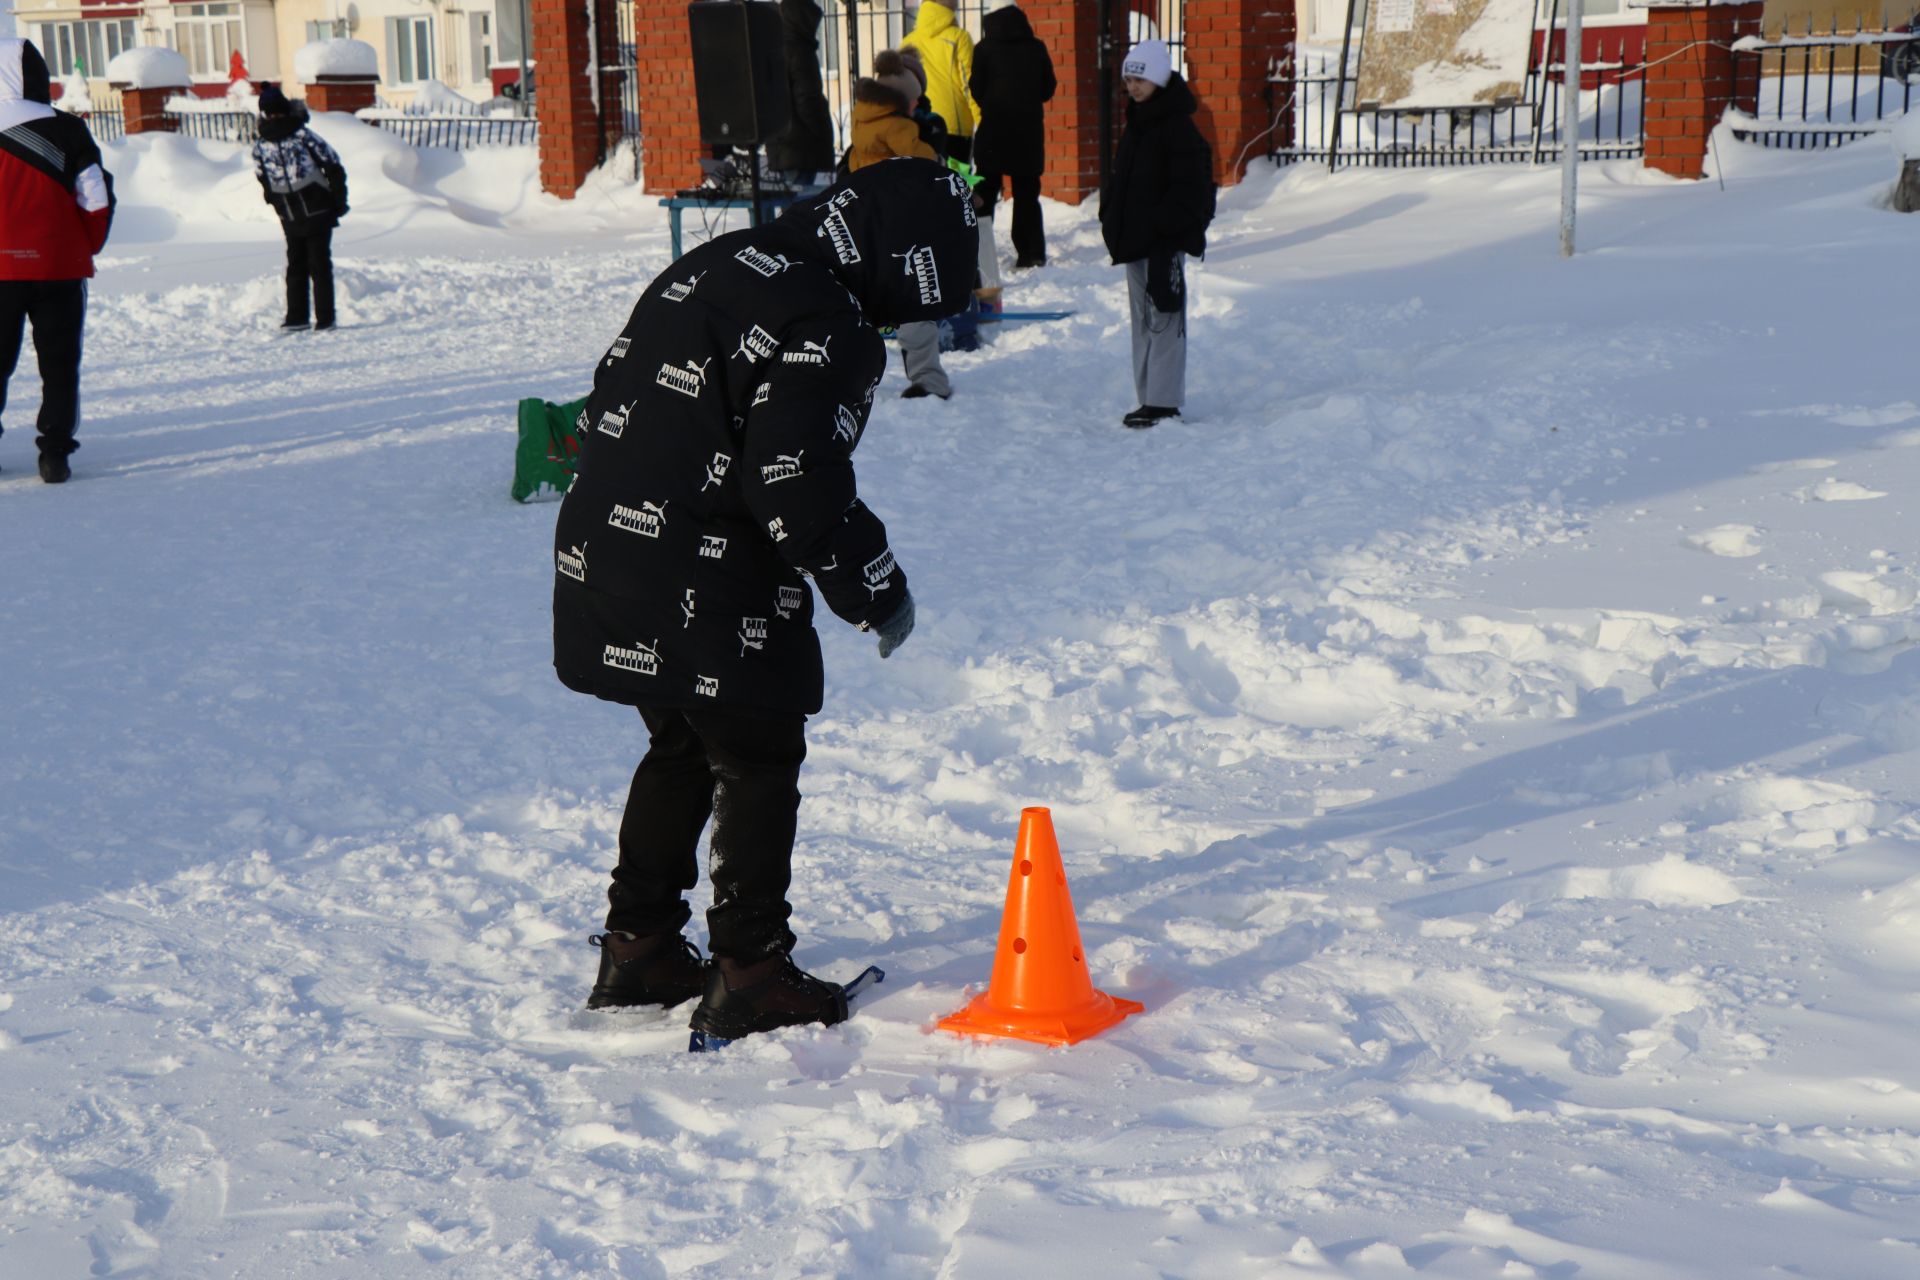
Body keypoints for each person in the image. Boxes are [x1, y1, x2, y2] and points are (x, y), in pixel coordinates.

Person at [552, 157, 975, 1043]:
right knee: (755, 753)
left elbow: (599, 410)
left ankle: (641, 951)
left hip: (608, 551)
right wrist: (875, 585)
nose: (901, 320)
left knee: (678, 745)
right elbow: (794, 481)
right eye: (914, 294)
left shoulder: (716, 261)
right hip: (704, 570)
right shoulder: (831, 320)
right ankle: (749, 972)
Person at [0, 37, 114, 485]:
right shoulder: (68, 130)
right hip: (59, 266)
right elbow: (95, 196)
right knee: (60, 363)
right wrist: (87, 244)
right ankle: (55, 453)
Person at [1100, 39, 1213, 430]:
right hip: (1135, 241)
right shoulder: (1138, 121)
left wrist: (1166, 227)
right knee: (1142, 322)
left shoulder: (1176, 125)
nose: (1132, 86)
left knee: (1164, 318)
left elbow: (1194, 187)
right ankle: (1148, 398)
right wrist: (1110, 218)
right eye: (1129, 79)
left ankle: (1163, 402)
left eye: (1140, 79)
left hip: (1162, 242)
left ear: (1159, 78)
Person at [850, 52, 953, 401]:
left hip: (866, 222)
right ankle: (929, 379)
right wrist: (940, 159)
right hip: (901, 221)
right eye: (913, 100)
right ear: (902, 100)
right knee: (914, 297)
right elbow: (926, 162)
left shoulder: (862, 119)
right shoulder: (899, 126)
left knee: (864, 299)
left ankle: (850, 372)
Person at [251, 83, 347, 332]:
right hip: (292, 212)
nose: (275, 119)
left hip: (315, 208)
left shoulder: (300, 136)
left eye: (277, 113)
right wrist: (275, 201)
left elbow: (333, 165)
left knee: (314, 263)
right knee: (300, 264)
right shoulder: (263, 145)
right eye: (270, 114)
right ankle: (299, 317)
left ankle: (322, 318)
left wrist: (337, 200)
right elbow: (262, 177)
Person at [969, 0, 1055, 270]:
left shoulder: (984, 49)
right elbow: (1048, 88)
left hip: (993, 130)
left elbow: (976, 88)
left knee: (984, 192)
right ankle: (1031, 253)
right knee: (1027, 193)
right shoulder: (1036, 48)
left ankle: (978, 252)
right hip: (1027, 133)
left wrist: (993, 103)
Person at [764, 0, 836, 185]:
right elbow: (808, 100)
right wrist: (821, 133)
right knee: (801, 208)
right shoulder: (801, 51)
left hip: (781, 144)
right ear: (803, 21)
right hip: (802, 145)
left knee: (791, 208)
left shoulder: (773, 48)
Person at [899, 1, 977, 163]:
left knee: (928, 182)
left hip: (921, 124)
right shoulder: (959, 37)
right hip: (956, 128)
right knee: (956, 183)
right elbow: (970, 86)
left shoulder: (908, 41)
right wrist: (982, 121)